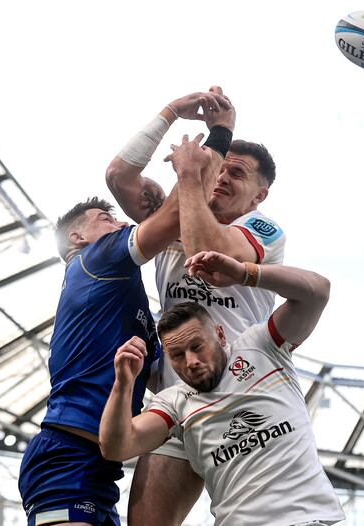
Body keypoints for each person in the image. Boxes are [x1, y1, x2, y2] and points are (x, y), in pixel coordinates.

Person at [106, 88, 287, 525]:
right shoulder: (173, 216)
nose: (222, 178)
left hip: (242, 397)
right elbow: (119, 177)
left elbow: (209, 253)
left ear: (259, 196)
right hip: (179, 397)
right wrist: (170, 114)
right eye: (219, 169)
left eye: (237, 174)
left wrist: (193, 174)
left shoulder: (263, 229)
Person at [99, 251, 345, 526]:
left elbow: (318, 292)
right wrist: (123, 383)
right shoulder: (174, 402)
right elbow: (117, 447)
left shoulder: (262, 347)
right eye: (177, 355)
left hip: (308, 521)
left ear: (219, 334)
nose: (190, 362)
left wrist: (245, 274)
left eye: (197, 346)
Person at [17, 192, 183, 526]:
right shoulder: (96, 257)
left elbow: (164, 376)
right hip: (66, 456)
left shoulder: (122, 300)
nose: (122, 223)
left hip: (101, 469)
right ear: (76, 238)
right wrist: (214, 145)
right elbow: (174, 214)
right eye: (105, 219)